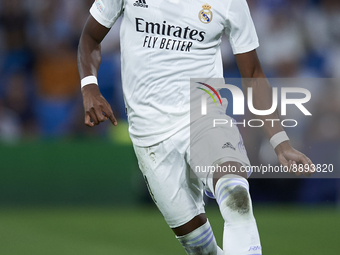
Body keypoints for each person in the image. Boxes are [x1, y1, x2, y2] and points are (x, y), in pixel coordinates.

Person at [78, 1, 314, 254]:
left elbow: (253, 73)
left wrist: (280, 142)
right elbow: (90, 36)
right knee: (200, 247)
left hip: (204, 115)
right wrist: (90, 86)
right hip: (149, 132)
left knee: (236, 197)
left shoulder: (231, 3)